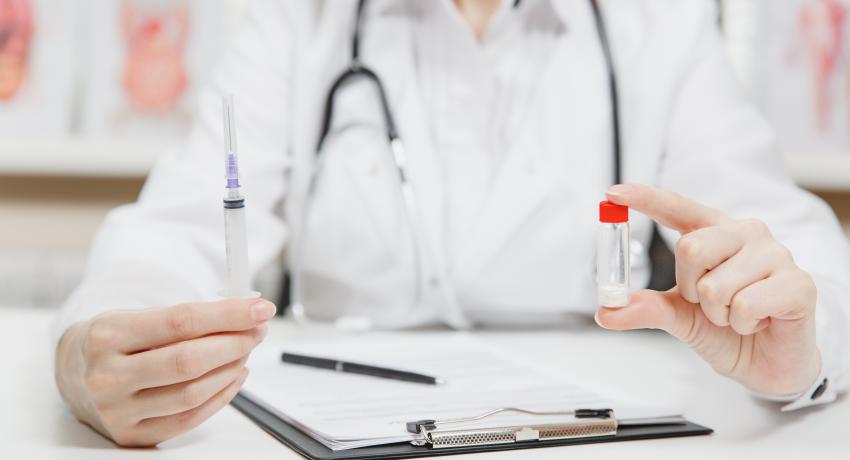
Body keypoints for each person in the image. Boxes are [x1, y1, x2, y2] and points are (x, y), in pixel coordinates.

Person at [53, 0, 850, 448]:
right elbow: (173, 229)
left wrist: (800, 342)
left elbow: (794, 246)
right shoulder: (300, 20)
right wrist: (101, 349)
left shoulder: (658, 26)